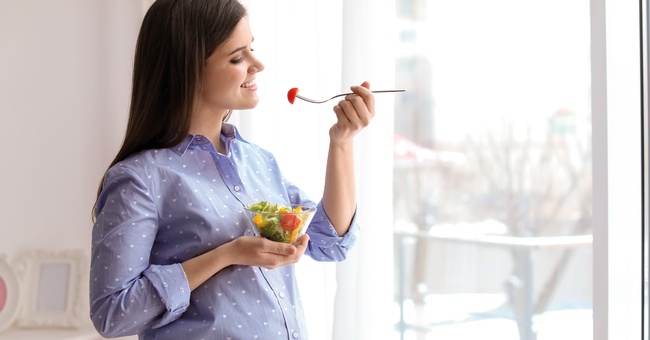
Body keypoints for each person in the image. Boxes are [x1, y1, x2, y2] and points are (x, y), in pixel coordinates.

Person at [89, 0, 375, 339]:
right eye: (238, 57)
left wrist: (342, 141)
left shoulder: (258, 162)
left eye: (251, 49)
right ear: (188, 69)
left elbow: (330, 242)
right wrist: (228, 254)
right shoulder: (140, 179)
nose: (258, 64)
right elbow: (112, 314)